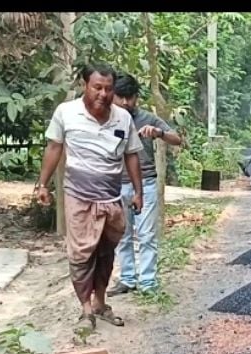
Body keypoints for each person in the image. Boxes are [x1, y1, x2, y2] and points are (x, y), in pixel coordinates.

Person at [35, 62, 144, 330]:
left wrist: (138, 192)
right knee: (82, 253)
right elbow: (54, 147)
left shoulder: (123, 118)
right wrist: (42, 184)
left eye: (108, 89)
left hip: (111, 197)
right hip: (79, 195)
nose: (103, 94)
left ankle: (100, 303)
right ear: (85, 85)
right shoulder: (66, 113)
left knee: (106, 252)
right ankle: (86, 312)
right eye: (97, 87)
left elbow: (131, 155)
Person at [108, 72, 183, 297]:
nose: (125, 103)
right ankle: (128, 278)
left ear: (136, 98)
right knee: (121, 234)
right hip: (116, 184)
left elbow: (177, 138)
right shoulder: (106, 120)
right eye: (120, 98)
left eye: (129, 98)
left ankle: (148, 282)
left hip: (146, 183)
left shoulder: (147, 118)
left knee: (146, 234)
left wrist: (158, 133)